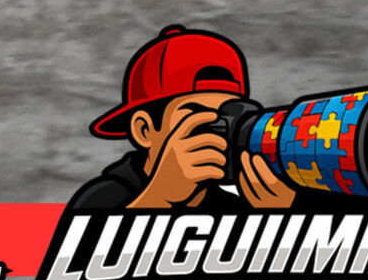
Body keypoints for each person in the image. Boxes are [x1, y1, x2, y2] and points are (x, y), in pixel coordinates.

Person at [66, 25, 332, 213]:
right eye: (196, 117)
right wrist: (160, 196)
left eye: (230, 117)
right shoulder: (106, 197)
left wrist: (286, 214)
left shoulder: (232, 203)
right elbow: (78, 263)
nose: (220, 132)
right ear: (144, 130)